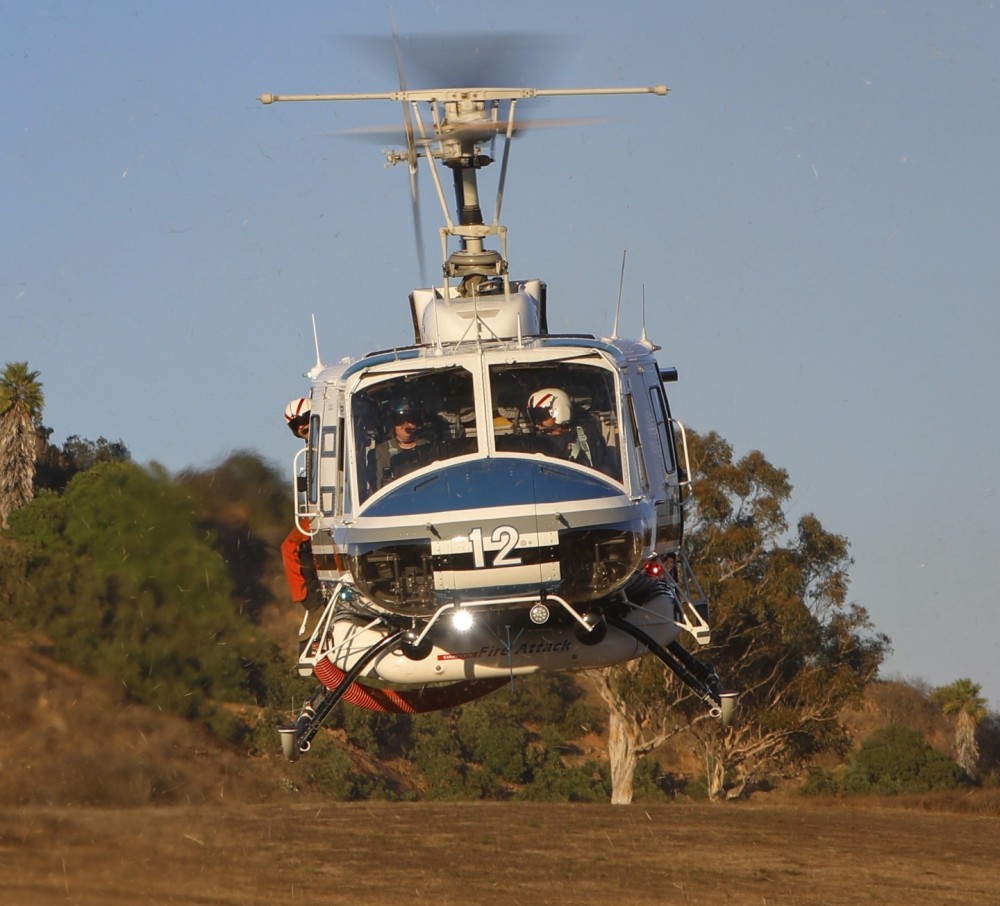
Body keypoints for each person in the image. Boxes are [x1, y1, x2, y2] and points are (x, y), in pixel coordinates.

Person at [281, 398, 323, 612]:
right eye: (295, 425)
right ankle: (312, 600)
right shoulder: (310, 449)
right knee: (294, 546)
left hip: (329, 511)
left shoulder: (326, 443)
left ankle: (311, 602)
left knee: (290, 546)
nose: (301, 426)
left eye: (305, 420)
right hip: (320, 509)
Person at [526, 387, 612, 473]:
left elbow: (602, 468)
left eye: (540, 415)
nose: (536, 421)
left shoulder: (586, 435)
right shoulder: (534, 442)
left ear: (558, 410)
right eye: (533, 416)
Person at [371, 395, 430, 488]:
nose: (406, 425)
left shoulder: (429, 447)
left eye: (411, 419)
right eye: (400, 420)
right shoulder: (382, 451)